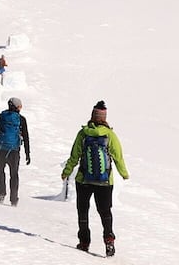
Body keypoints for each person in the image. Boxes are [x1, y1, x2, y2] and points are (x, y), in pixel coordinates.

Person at [60, 101, 128, 256]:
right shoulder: (110, 135)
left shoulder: (83, 133)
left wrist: (67, 171)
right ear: (104, 117)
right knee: (105, 212)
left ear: (92, 115)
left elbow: (74, 156)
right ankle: (109, 240)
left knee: (83, 210)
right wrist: (124, 173)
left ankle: (84, 242)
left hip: (84, 179)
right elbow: (118, 156)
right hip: (104, 182)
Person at [0, 97, 30, 206]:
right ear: (17, 107)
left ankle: (1, 195)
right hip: (14, 151)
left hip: (1, 150)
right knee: (14, 175)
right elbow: (26, 137)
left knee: (0, 173)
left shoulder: (1, 117)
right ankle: (13, 200)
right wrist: (27, 153)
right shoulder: (21, 119)